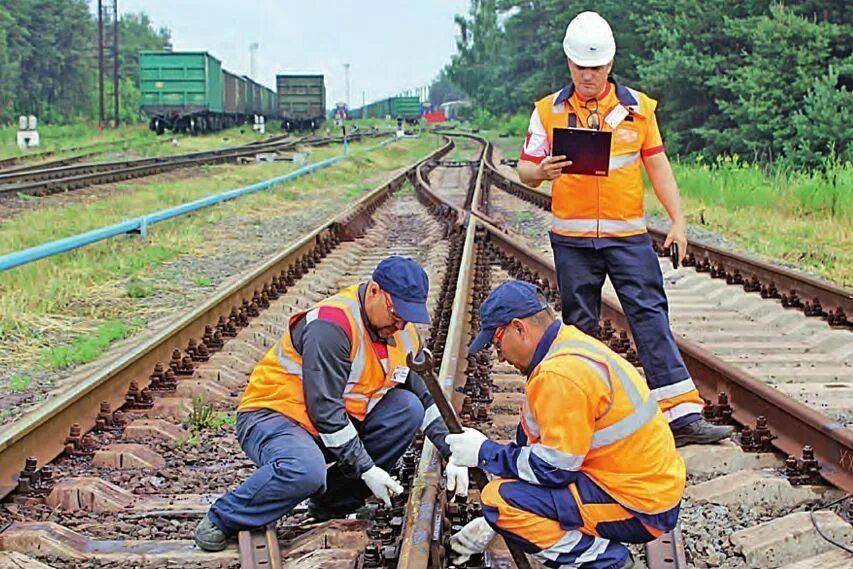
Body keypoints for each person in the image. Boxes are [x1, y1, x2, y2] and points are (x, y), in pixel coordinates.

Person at [516, 11, 732, 445]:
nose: (588, 76)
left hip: (627, 236)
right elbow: (524, 169)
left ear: (610, 65)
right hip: (573, 241)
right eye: (581, 67)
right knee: (580, 326)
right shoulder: (548, 111)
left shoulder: (638, 110)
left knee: (649, 315)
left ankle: (682, 416)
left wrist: (678, 219)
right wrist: (542, 170)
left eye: (595, 68)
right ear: (569, 64)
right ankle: (588, 416)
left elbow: (657, 164)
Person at [194, 256, 468, 551]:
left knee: (407, 408)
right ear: (374, 291)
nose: (400, 324)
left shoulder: (403, 334)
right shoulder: (333, 325)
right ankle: (224, 517)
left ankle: (330, 503)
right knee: (305, 470)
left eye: (407, 317)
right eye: (395, 313)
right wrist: (366, 468)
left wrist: (454, 451)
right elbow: (325, 411)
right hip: (275, 416)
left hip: (329, 424)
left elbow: (426, 399)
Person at [447, 281, 685, 569]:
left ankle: (605, 561)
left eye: (497, 343)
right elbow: (536, 444)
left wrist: (485, 452)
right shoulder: (567, 345)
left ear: (519, 328)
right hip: (637, 485)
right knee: (508, 493)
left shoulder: (559, 374)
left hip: (640, 506)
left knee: (499, 501)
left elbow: (554, 469)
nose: (500, 357)